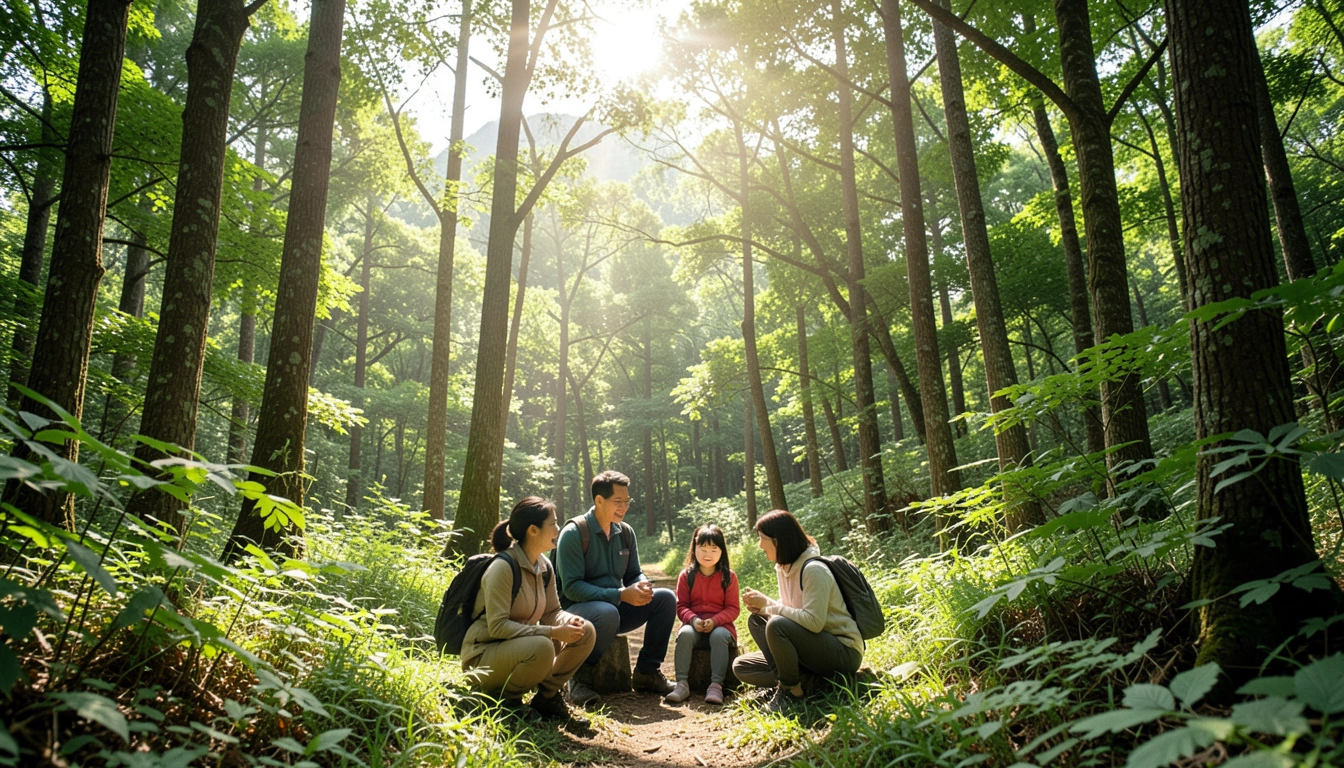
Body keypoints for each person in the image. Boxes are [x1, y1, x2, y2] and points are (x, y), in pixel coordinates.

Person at [461, 497, 596, 722]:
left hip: (518, 649)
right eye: (553, 523)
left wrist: (569, 621)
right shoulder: (502, 568)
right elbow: (497, 627)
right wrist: (553, 633)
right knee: (543, 646)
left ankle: (547, 698)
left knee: (587, 631)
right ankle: (507, 704)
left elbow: (552, 612)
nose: (558, 528)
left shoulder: (544, 566)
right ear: (533, 530)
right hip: (482, 656)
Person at [556, 471, 677, 705]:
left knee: (665, 598)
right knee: (606, 612)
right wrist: (620, 594)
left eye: (627, 501)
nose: (624, 507)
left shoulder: (626, 532)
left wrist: (640, 585)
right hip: (578, 613)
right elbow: (571, 589)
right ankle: (578, 678)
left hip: (613, 608)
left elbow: (633, 573)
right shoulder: (574, 533)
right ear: (599, 501)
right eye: (618, 502)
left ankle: (647, 673)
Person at [732, 510, 864, 714]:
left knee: (775, 624)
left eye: (762, 539)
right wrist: (764, 605)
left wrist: (768, 605)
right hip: (811, 648)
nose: (759, 545)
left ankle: (791, 692)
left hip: (842, 650)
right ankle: (792, 683)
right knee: (744, 657)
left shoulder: (813, 570)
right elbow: (792, 611)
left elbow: (814, 622)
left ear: (778, 541)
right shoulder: (783, 567)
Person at [665, 524, 740, 705]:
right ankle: (682, 684)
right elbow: (681, 606)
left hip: (721, 628)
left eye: (714, 549)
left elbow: (733, 609)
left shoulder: (728, 577)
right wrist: (693, 619)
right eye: (703, 548)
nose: (708, 554)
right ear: (694, 548)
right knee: (684, 634)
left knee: (719, 635)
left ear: (722, 551)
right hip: (694, 626)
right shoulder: (686, 576)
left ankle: (716, 686)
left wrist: (715, 621)